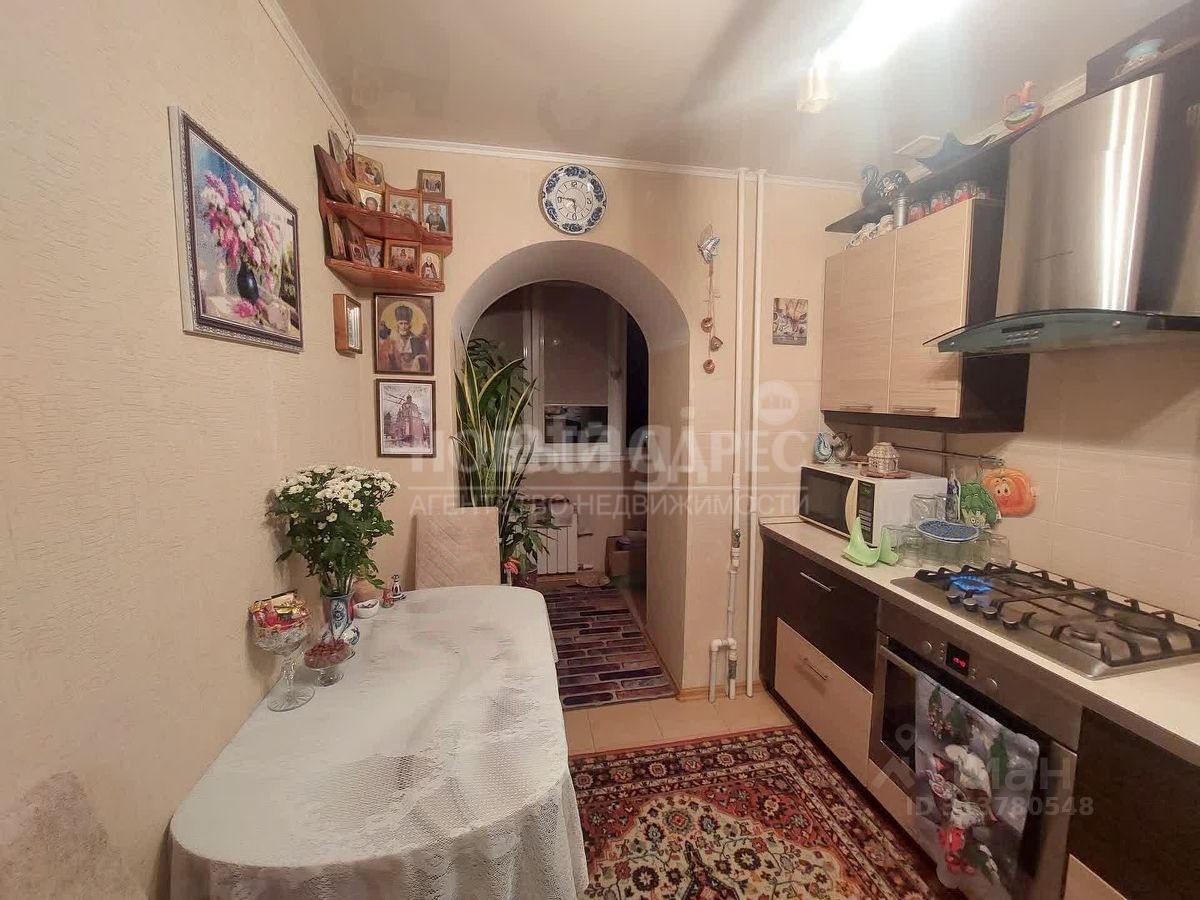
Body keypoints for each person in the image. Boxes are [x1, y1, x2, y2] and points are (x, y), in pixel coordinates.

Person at [379, 303, 429, 373]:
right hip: (395, 368)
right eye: (401, 323)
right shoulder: (392, 338)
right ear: (397, 324)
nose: (403, 326)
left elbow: (423, 356)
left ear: (410, 324)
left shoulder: (415, 339)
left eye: (406, 323)